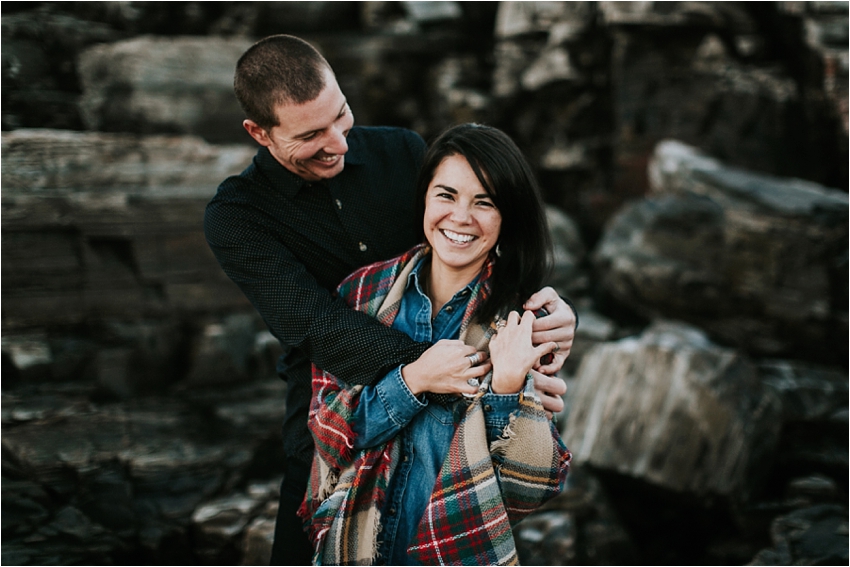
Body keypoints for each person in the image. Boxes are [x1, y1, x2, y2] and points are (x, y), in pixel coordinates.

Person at [203, 35, 577, 565]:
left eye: (341, 115)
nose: (339, 142)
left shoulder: (401, 151)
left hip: (453, 405)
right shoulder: (238, 216)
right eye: (311, 135)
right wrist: (459, 369)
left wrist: (550, 317)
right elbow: (318, 327)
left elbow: (476, 228)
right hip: (331, 403)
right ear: (259, 133)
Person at [299, 123, 571, 566]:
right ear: (424, 197)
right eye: (446, 195)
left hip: (457, 551)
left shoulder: (523, 322)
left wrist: (505, 387)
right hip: (355, 546)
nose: (461, 217)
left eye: (484, 202)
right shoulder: (361, 295)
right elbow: (330, 433)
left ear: (508, 216)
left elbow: (529, 489)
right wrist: (414, 380)